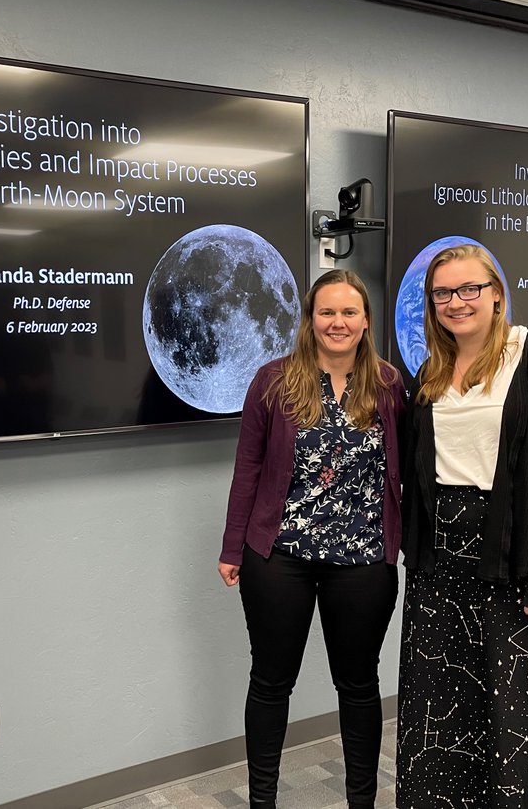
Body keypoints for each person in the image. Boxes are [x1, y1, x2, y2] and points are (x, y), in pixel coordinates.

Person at [395, 244, 528, 808]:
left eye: (468, 290)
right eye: (442, 293)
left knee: (519, 713)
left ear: (495, 294)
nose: (456, 303)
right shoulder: (430, 372)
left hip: (518, 566)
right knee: (440, 711)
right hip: (440, 573)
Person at [219, 269, 406, 809]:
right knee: (271, 683)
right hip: (280, 558)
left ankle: (362, 802)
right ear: (310, 318)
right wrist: (234, 548)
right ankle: (261, 801)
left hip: (364, 560)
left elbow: (409, 471)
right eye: (327, 312)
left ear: (366, 321)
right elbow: (248, 470)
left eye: (349, 312)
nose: (338, 322)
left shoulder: (391, 386)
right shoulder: (273, 381)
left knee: (359, 685)